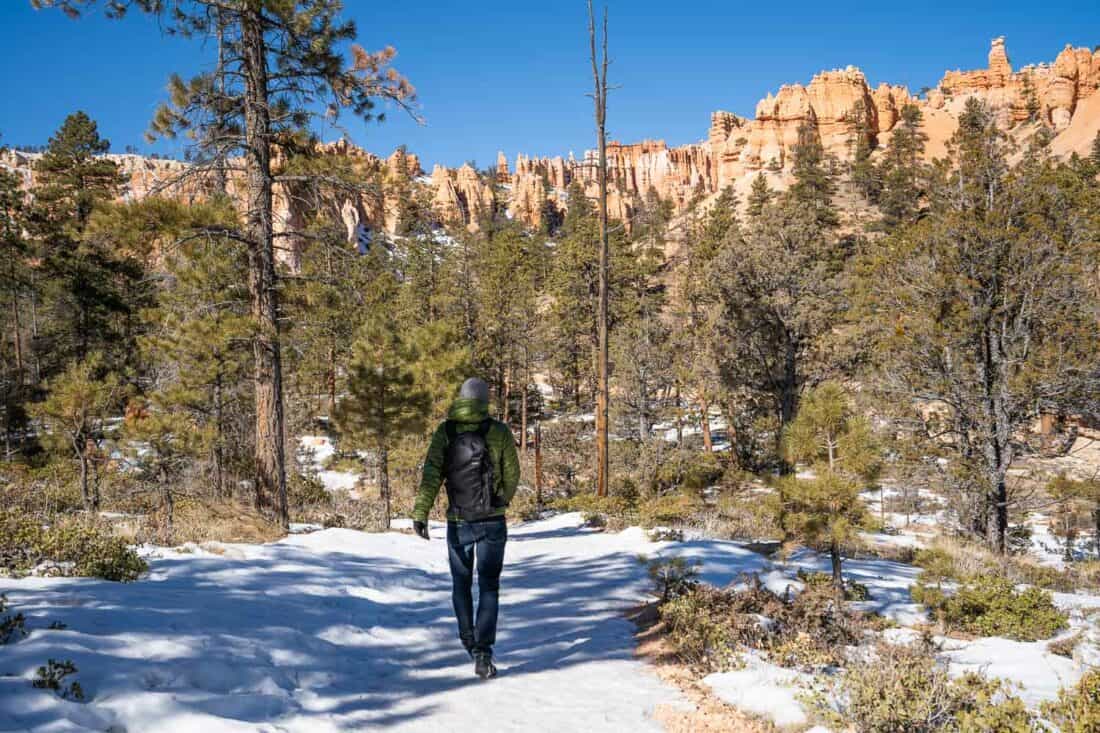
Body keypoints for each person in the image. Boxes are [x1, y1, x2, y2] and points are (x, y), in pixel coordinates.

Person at [413, 377, 519, 679]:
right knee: (489, 586)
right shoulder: (498, 431)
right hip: (492, 521)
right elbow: (513, 473)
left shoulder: (445, 432)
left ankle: (468, 640)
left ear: (460, 398)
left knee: (461, 584)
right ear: (485, 401)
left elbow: (432, 474)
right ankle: (484, 653)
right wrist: (502, 499)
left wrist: (421, 512)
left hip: (458, 522)